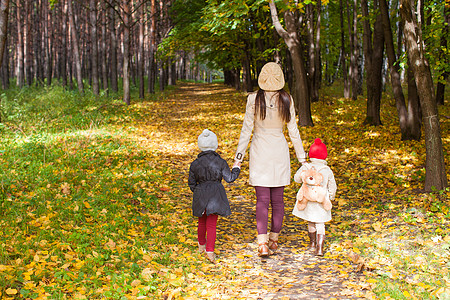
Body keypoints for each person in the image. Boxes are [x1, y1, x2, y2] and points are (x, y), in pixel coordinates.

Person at [234, 62, 307, 257]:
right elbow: (293, 131)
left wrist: (237, 160)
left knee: (262, 200)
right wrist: (303, 159)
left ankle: (262, 243)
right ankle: (274, 239)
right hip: (279, 152)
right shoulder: (287, 99)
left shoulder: (253, 99)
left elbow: (246, 131)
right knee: (278, 201)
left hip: (260, 152)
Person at [188, 129, 241, 264]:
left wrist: (198, 191)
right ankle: (210, 252)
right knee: (211, 224)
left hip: (201, 193)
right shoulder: (221, 162)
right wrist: (236, 168)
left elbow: (191, 183)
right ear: (215, 145)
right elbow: (229, 178)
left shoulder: (195, 164)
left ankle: (201, 246)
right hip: (216, 195)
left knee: (201, 221)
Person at [292, 138, 337, 256]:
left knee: (311, 221)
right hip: (321, 201)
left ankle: (312, 243)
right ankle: (320, 248)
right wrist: (331, 196)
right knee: (320, 223)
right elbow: (332, 185)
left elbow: (296, 179)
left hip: (308, 200)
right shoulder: (327, 170)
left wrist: (302, 174)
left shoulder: (306, 167)